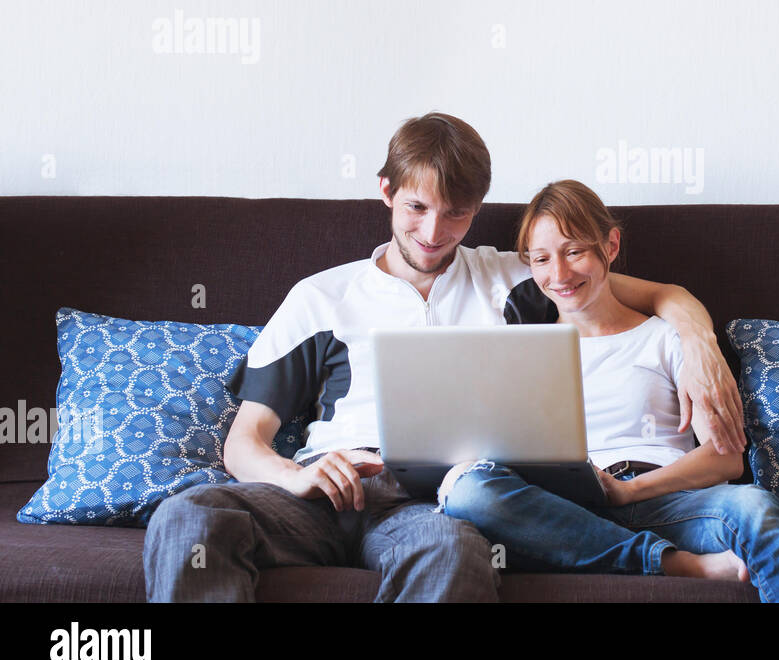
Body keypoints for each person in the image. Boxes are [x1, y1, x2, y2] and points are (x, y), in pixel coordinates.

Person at [143, 113, 746, 602]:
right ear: (386, 192)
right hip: (321, 495)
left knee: (457, 554)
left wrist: (697, 340)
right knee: (188, 516)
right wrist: (295, 477)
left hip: (429, 508)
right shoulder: (321, 296)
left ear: (478, 207)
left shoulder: (518, 277)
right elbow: (244, 441)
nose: (434, 232)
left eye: (457, 213)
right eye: (416, 208)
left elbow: (653, 294)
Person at [438, 179, 779, 603]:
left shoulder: (666, 338)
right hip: (563, 511)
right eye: (542, 259)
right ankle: (671, 563)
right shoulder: (523, 350)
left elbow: (726, 458)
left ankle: (623, 550)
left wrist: (630, 491)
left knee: (755, 509)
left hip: (666, 503)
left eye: (574, 252)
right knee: (469, 491)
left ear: (611, 246)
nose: (559, 275)